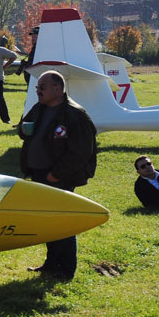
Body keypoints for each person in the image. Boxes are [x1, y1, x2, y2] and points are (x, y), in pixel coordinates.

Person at [18, 70, 98, 281]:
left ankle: (66, 269)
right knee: (47, 221)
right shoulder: (40, 108)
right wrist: (24, 130)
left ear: (58, 88)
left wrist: (56, 175)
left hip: (57, 177)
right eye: (37, 87)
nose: (38, 91)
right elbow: (23, 127)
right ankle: (51, 262)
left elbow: (81, 152)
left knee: (62, 221)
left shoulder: (74, 114)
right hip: (39, 174)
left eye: (42, 87)